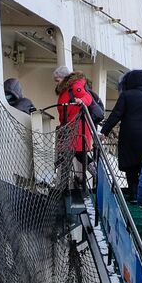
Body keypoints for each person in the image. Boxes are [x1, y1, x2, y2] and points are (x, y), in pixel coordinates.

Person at [100, 69, 142, 201]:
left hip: (130, 134)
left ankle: (134, 194)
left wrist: (104, 131)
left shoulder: (126, 95)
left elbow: (116, 114)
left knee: (131, 165)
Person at [53, 66, 95, 208]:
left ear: (64, 78)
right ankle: (65, 187)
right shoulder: (66, 89)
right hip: (70, 128)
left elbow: (87, 97)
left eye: (57, 79)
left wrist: (81, 101)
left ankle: (65, 188)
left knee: (76, 155)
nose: (56, 82)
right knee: (74, 156)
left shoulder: (74, 86)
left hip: (77, 128)